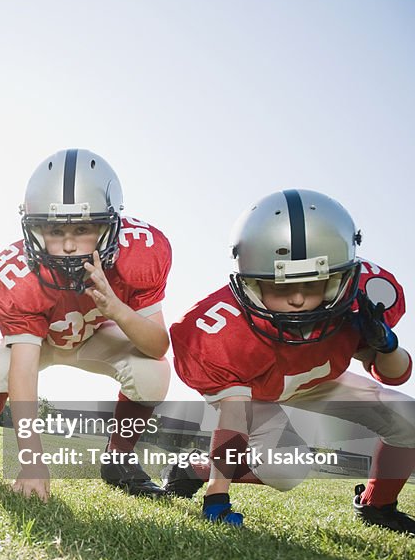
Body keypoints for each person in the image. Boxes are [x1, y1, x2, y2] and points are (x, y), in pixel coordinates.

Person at [168, 189, 414, 533]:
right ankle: (194, 469)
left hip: (318, 379)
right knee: (286, 470)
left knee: (409, 419)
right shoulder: (220, 329)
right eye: (281, 287)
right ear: (251, 282)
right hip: (257, 390)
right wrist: (216, 495)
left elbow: (396, 375)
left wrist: (386, 345)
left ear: (337, 280)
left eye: (313, 284)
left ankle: (378, 506)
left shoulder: (364, 296)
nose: (298, 298)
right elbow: (234, 415)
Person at [0, 149, 172, 502]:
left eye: (83, 228)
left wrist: (119, 310)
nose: (68, 245)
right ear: (34, 228)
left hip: (97, 333)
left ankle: (119, 458)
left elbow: (157, 346)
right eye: (55, 229)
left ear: (110, 225)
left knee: (153, 374)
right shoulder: (17, 276)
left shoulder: (138, 254)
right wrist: (32, 460)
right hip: (43, 340)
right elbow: (24, 370)